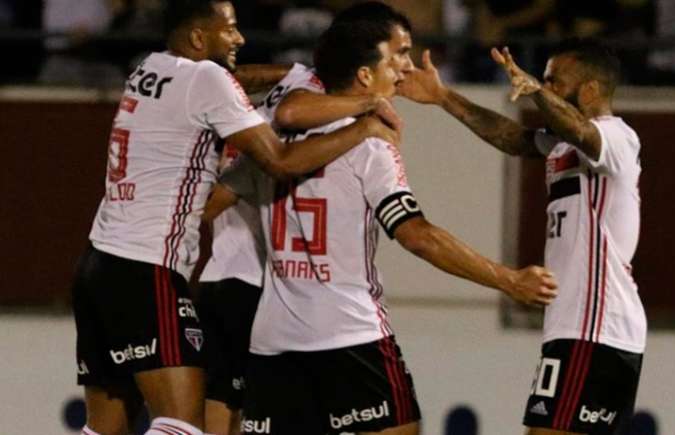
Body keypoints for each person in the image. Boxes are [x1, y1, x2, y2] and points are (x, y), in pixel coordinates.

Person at [205, 17, 558, 435]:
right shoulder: (370, 143)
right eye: (399, 56)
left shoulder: (273, 142)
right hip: (349, 334)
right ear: (365, 74)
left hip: (273, 342)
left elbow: (210, 203)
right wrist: (508, 280)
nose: (406, 67)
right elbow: (416, 235)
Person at [69, 0, 399, 434]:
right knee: (182, 426)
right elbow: (279, 160)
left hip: (97, 267)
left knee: (104, 429)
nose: (240, 38)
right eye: (230, 29)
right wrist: (364, 125)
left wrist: (292, 75)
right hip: (144, 270)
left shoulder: (150, 66)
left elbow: (237, 81)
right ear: (199, 38)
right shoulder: (207, 79)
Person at [398, 38, 645, 435]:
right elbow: (512, 138)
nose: (545, 89)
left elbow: (583, 131)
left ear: (590, 90)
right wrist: (443, 97)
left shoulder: (616, 138)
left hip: (596, 325)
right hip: (577, 325)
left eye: (554, 82)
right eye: (543, 82)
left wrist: (536, 93)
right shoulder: (565, 143)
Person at [196, 4, 412, 433]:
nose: (402, 67)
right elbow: (292, 114)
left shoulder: (283, 87)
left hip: (219, 272)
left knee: (223, 404)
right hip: (261, 282)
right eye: (397, 55)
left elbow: (246, 85)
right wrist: (370, 112)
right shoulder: (313, 97)